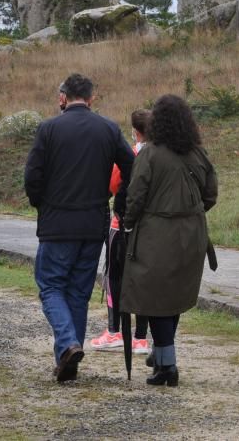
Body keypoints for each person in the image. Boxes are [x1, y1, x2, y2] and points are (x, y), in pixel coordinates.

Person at [24, 74, 134, 382]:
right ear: (91, 98)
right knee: (78, 291)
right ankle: (68, 359)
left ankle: (68, 343)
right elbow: (131, 168)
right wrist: (118, 200)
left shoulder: (48, 129)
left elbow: (32, 175)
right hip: (92, 222)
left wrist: (41, 204)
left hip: (57, 221)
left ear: (62, 97)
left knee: (50, 286)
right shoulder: (109, 129)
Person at [120, 94, 218, 387]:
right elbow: (210, 194)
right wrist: (189, 213)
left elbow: (135, 197)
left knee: (156, 300)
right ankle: (163, 362)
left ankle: (168, 365)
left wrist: (128, 225)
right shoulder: (198, 154)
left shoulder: (149, 154)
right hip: (192, 234)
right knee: (173, 298)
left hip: (156, 234)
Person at [91, 108, 151, 355]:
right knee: (144, 278)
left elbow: (114, 184)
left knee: (114, 277)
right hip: (149, 227)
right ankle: (140, 337)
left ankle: (114, 331)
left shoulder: (132, 153)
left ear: (135, 132)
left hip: (121, 224)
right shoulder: (162, 155)